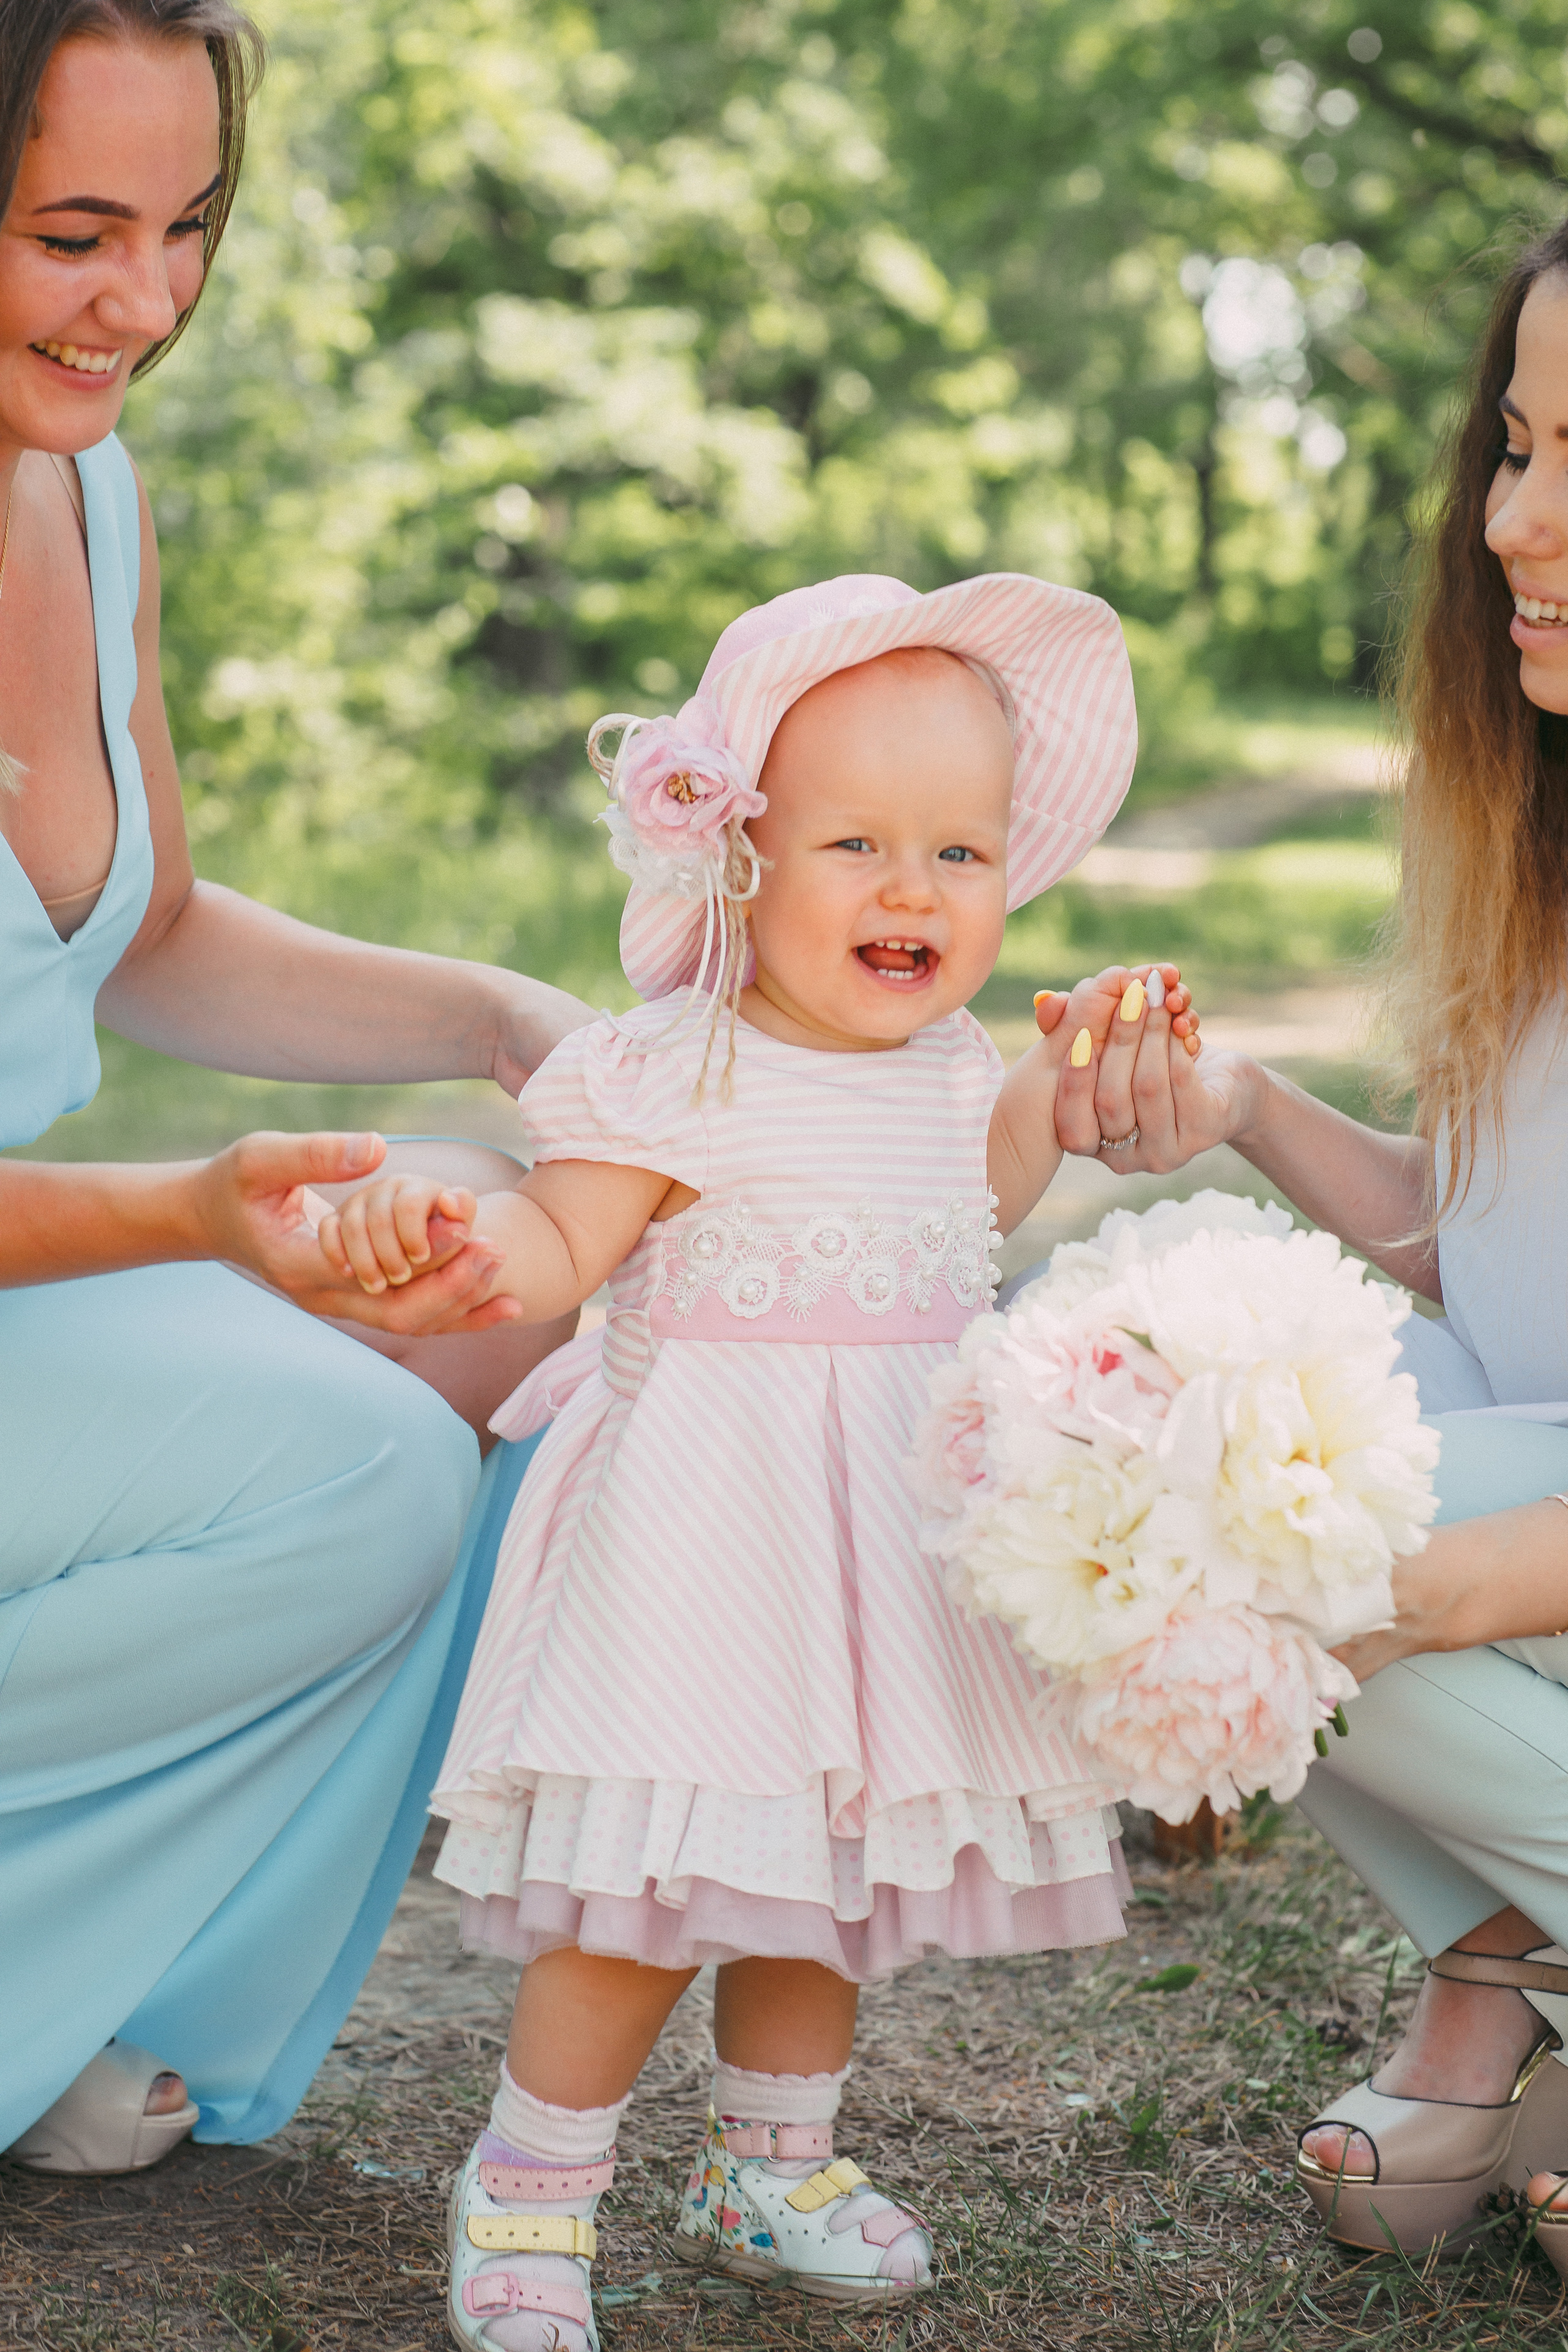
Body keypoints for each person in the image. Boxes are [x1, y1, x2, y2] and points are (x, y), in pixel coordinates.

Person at [317, 572, 1202, 2348]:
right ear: (738, 855)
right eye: (857, 843)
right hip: (698, 1548)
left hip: (878, 1552)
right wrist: (476, 1248)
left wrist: (1076, 1069)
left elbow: (980, 1197)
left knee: (821, 1880)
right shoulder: (671, 1069)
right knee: (644, 1897)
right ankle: (534, 2184)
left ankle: (770, 2164)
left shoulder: (949, 1070)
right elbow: (564, 1247)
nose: (911, 890)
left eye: (960, 853)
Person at [0, 0, 586, 2174]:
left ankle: (75, 1967)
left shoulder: (87, 491)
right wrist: (193, 1215)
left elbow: (140, 927)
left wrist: (509, 1022)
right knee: (367, 1471)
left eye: (189, 226)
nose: (145, 303)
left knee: (506, 1283)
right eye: (74, 233)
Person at [1038, 216, 1568, 2272]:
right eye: (1514, 446)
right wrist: (1248, 1109)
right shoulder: (1542, 830)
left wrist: (1370, 1595)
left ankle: (1506, 1973)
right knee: (1130, 1411)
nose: (1512, 522)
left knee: (1238, 1534)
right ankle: (1510, 1958)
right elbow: (1488, 1245)